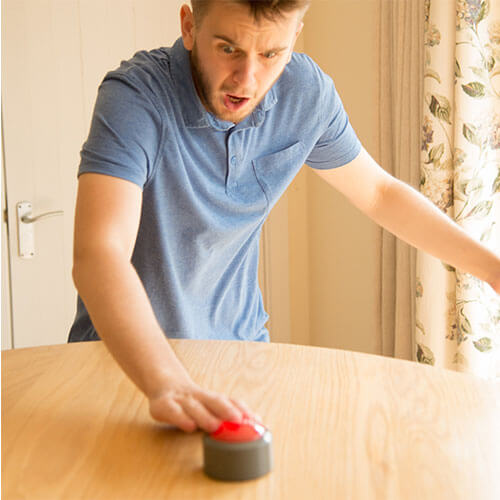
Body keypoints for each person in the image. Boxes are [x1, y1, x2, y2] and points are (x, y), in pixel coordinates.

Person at [69, 0, 500, 434]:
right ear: (189, 26)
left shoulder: (305, 94)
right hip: (129, 367)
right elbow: (100, 253)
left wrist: (490, 269)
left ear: (294, 37)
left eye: (270, 54)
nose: (247, 79)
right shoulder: (137, 96)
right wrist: (167, 383)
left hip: (240, 358)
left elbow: (379, 193)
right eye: (228, 49)